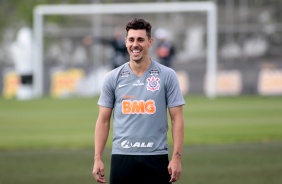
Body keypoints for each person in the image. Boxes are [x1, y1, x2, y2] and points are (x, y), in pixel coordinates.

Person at [92, 18, 185, 184]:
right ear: (126, 42)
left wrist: (177, 157)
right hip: (122, 157)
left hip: (156, 157)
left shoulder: (167, 75)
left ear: (150, 42)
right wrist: (97, 158)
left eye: (140, 39)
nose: (135, 44)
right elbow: (103, 121)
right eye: (131, 39)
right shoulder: (112, 78)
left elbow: (177, 118)